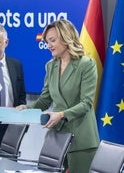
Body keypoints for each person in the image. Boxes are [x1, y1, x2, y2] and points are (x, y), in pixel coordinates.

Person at [17, 19, 100, 173]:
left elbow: (86, 103)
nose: (49, 45)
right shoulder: (50, 66)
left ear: (66, 38)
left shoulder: (86, 65)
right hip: (56, 137)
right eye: (47, 41)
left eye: (52, 40)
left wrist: (61, 114)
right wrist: (25, 108)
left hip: (81, 139)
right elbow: (45, 100)